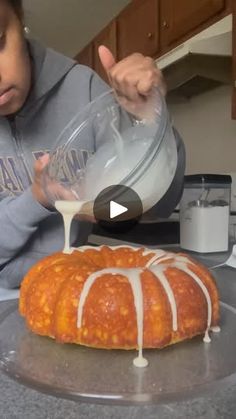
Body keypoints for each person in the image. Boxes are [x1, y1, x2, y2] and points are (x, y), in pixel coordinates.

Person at [0, 0, 185, 288]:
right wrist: (35, 200)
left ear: (19, 17)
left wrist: (151, 123)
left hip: (79, 285)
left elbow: (145, 209)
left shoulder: (84, 89)